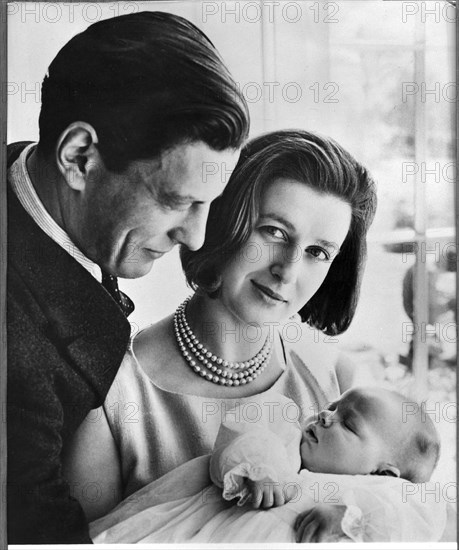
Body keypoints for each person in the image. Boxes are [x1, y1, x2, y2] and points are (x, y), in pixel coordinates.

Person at [7, 11, 248, 544]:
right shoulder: (16, 352)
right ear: (79, 156)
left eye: (209, 204)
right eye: (177, 201)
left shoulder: (29, 181)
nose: (198, 238)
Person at [63, 129, 379, 525]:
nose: (288, 270)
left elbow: (401, 511)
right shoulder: (109, 393)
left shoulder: (338, 383)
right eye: (274, 232)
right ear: (223, 218)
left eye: (318, 252)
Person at [88, 387, 445, 543]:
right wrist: (261, 470)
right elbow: (243, 431)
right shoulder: (285, 437)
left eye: (348, 424)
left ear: (383, 474)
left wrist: (352, 520)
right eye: (334, 406)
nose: (325, 415)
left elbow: (417, 521)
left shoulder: (384, 495)